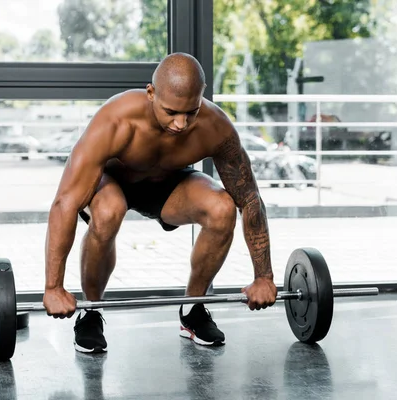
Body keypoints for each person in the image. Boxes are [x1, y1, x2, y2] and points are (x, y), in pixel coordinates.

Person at [42, 52, 277, 353]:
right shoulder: (115, 120)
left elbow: (250, 199)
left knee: (222, 207)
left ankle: (193, 309)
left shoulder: (214, 127)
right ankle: (92, 311)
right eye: (171, 112)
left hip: (168, 184)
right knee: (108, 210)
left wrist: (264, 277)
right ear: (150, 93)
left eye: (190, 112)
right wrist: (53, 287)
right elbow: (65, 203)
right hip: (112, 184)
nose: (181, 124)